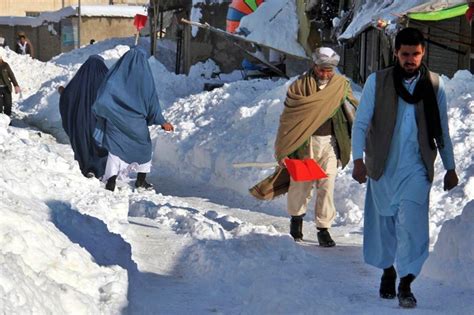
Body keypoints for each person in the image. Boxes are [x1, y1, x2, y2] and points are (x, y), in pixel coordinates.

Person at [351, 28, 458, 308]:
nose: (411, 59)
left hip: (417, 168)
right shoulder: (378, 82)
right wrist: (358, 160)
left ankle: (406, 281)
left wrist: (450, 167)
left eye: (416, 54)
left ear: (423, 54)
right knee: (384, 222)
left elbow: (442, 129)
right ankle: (387, 269)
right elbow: (361, 123)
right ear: (397, 54)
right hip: (383, 164)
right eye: (405, 54)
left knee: (413, 225)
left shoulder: (434, 84)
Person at [251, 47, 358, 246]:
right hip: (304, 143)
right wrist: (284, 148)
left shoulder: (341, 86)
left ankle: (323, 229)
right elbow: (288, 120)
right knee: (301, 185)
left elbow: (353, 108)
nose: (325, 74)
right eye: (322, 69)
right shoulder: (299, 87)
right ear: (314, 65)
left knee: (327, 186)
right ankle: (296, 220)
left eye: (329, 70)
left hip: (331, 143)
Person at [92, 46, 174, 192]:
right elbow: (152, 102)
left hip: (115, 121)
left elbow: (102, 99)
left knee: (114, 151)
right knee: (144, 149)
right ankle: (141, 181)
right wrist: (162, 122)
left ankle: (111, 180)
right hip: (137, 125)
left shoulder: (114, 77)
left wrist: (106, 113)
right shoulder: (145, 79)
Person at [58, 55, 109, 178]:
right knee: (100, 143)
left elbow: (69, 96)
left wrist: (62, 92)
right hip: (100, 121)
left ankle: (88, 168)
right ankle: (102, 168)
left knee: (83, 143)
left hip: (81, 121)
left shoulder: (80, 79)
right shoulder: (107, 78)